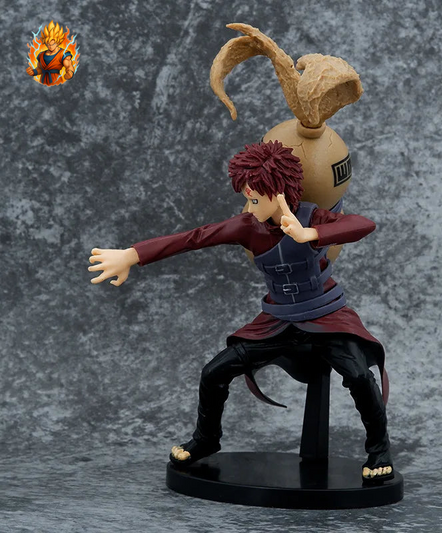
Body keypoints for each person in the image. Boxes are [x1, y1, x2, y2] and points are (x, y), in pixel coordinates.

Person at [88, 140, 393, 481]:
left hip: (326, 316)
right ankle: (206, 439)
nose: (249, 208)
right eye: (247, 199)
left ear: (278, 193)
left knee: (359, 376)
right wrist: (132, 255)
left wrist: (309, 233)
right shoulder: (248, 226)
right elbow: (195, 237)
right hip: (278, 321)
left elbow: (362, 224)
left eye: (255, 200)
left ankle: (379, 450)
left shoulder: (311, 216)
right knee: (214, 372)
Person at [26, 21, 74, 85]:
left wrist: (70, 73)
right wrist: (33, 72)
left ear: (58, 42)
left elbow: (69, 66)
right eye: (48, 44)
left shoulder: (63, 53)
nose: (50, 46)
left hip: (56, 82)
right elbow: (40, 69)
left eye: (53, 44)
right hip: (43, 82)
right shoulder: (41, 55)